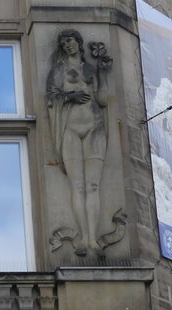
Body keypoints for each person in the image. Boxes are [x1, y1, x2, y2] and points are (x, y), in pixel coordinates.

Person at [46, 29, 111, 256]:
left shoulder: (90, 69)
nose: (68, 45)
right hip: (70, 130)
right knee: (78, 186)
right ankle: (83, 238)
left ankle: (93, 239)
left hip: (95, 128)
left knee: (93, 185)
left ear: (79, 42)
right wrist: (69, 96)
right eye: (64, 42)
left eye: (71, 40)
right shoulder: (59, 70)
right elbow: (50, 98)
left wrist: (102, 73)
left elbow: (102, 100)